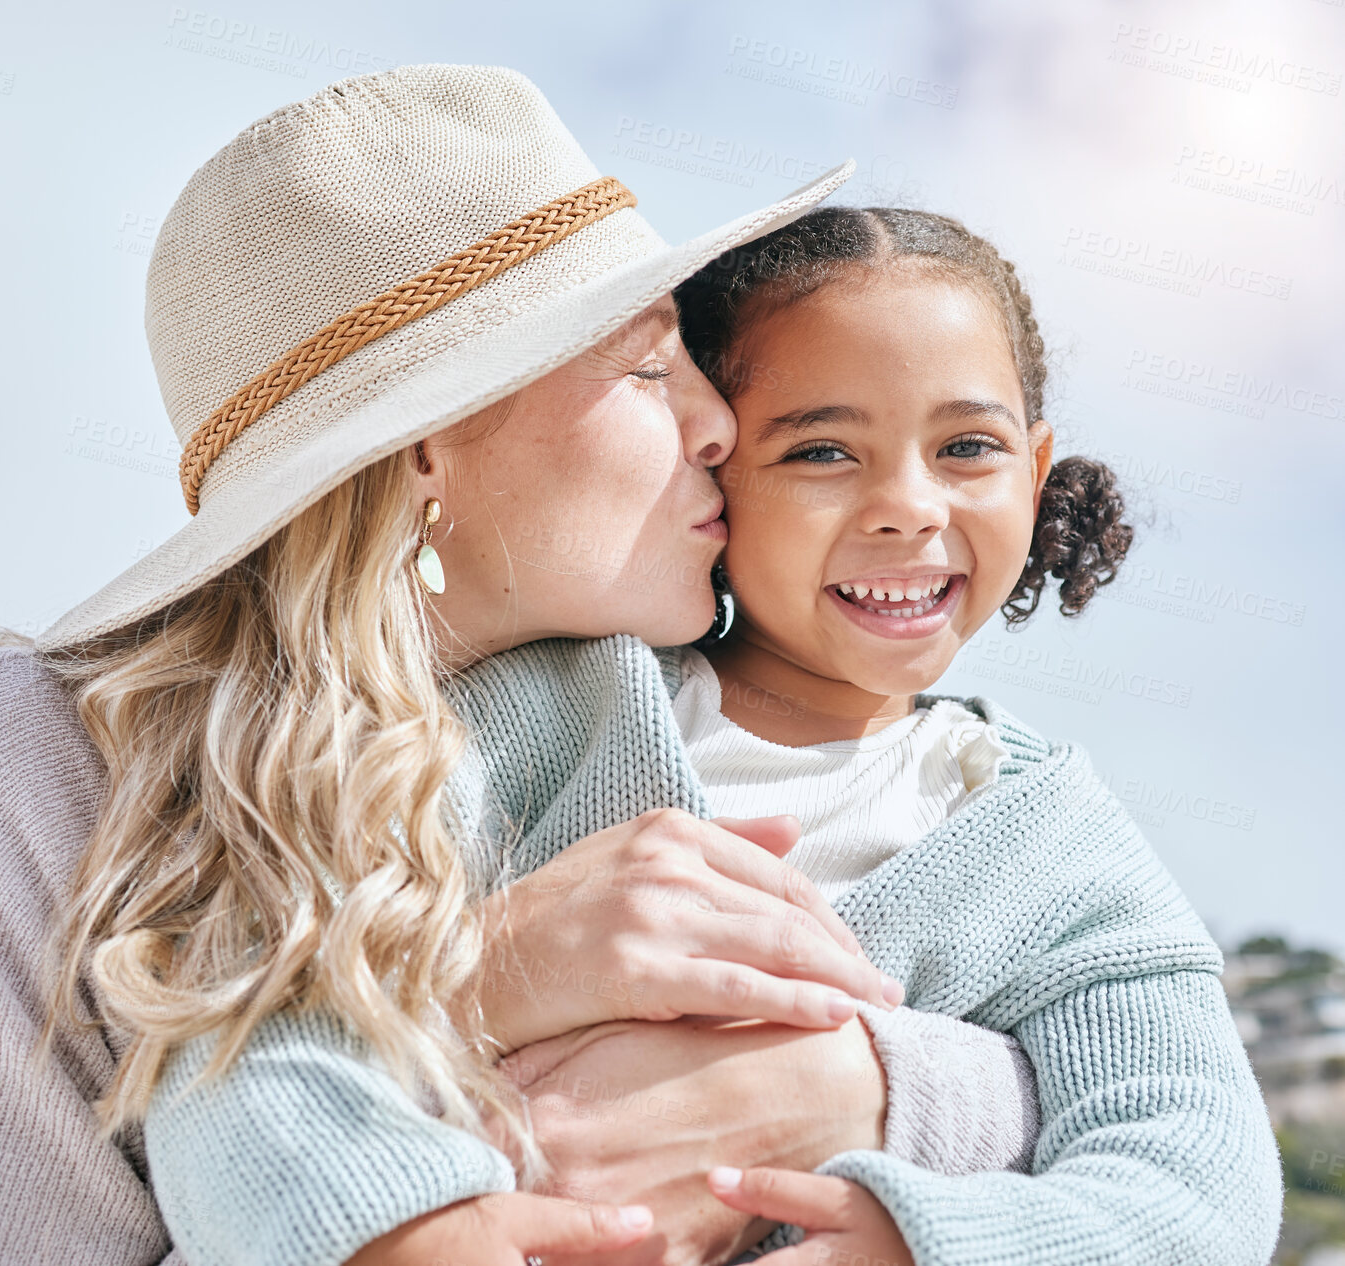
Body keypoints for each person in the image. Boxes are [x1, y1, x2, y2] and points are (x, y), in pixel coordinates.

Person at [0, 65, 1040, 1266]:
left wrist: (854, 1084)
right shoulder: (11, 768)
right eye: (646, 365)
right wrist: (465, 985)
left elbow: (1126, 1104)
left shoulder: (665, 712)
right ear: (423, 456)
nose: (716, 422)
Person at [155, 204, 1284, 1265]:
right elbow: (247, 1032)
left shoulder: (1054, 846)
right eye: (820, 453)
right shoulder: (536, 719)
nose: (907, 504)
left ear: (1035, 475)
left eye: (968, 449)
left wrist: (926, 1238)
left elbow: (1197, 1180)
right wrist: (393, 1234)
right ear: (715, 471)